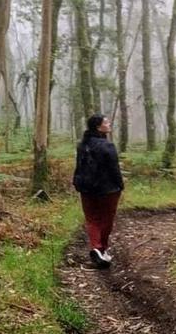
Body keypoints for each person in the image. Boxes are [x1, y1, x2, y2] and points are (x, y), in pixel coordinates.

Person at [73, 114, 124, 268]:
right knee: (106, 219)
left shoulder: (83, 145)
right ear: (98, 126)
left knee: (92, 219)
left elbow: (79, 167)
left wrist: (77, 182)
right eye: (106, 122)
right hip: (108, 189)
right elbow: (114, 169)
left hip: (86, 188)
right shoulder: (107, 146)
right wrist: (120, 185)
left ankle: (96, 248)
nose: (109, 124)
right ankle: (102, 249)